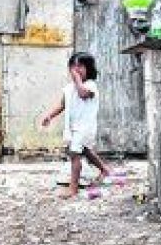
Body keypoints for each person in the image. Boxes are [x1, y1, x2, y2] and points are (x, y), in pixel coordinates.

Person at [40, 51, 111, 198]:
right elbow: (62, 104)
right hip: (73, 126)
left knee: (74, 154)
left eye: (80, 66)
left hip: (84, 127)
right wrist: (49, 116)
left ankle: (73, 189)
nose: (76, 69)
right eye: (73, 66)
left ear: (89, 69)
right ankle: (104, 170)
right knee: (85, 150)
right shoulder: (69, 88)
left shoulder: (90, 85)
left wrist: (78, 79)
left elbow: (83, 94)